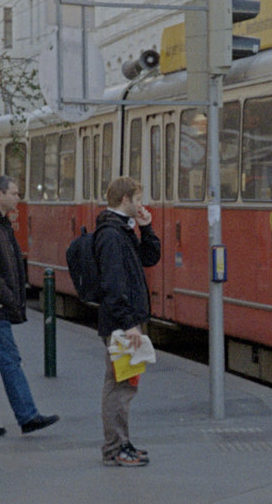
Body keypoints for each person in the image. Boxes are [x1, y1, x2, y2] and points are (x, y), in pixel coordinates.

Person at [0, 175, 59, 438]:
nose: (18, 197)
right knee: (10, 361)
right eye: (14, 193)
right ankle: (27, 416)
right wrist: (8, 297)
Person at [93, 176, 161, 467]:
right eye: (137, 199)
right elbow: (113, 284)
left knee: (126, 383)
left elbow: (150, 257)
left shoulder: (121, 230)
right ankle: (115, 448)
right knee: (120, 386)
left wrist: (146, 229)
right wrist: (128, 323)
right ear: (125, 200)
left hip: (126, 320)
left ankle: (122, 443)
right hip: (121, 323)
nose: (141, 203)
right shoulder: (111, 235)